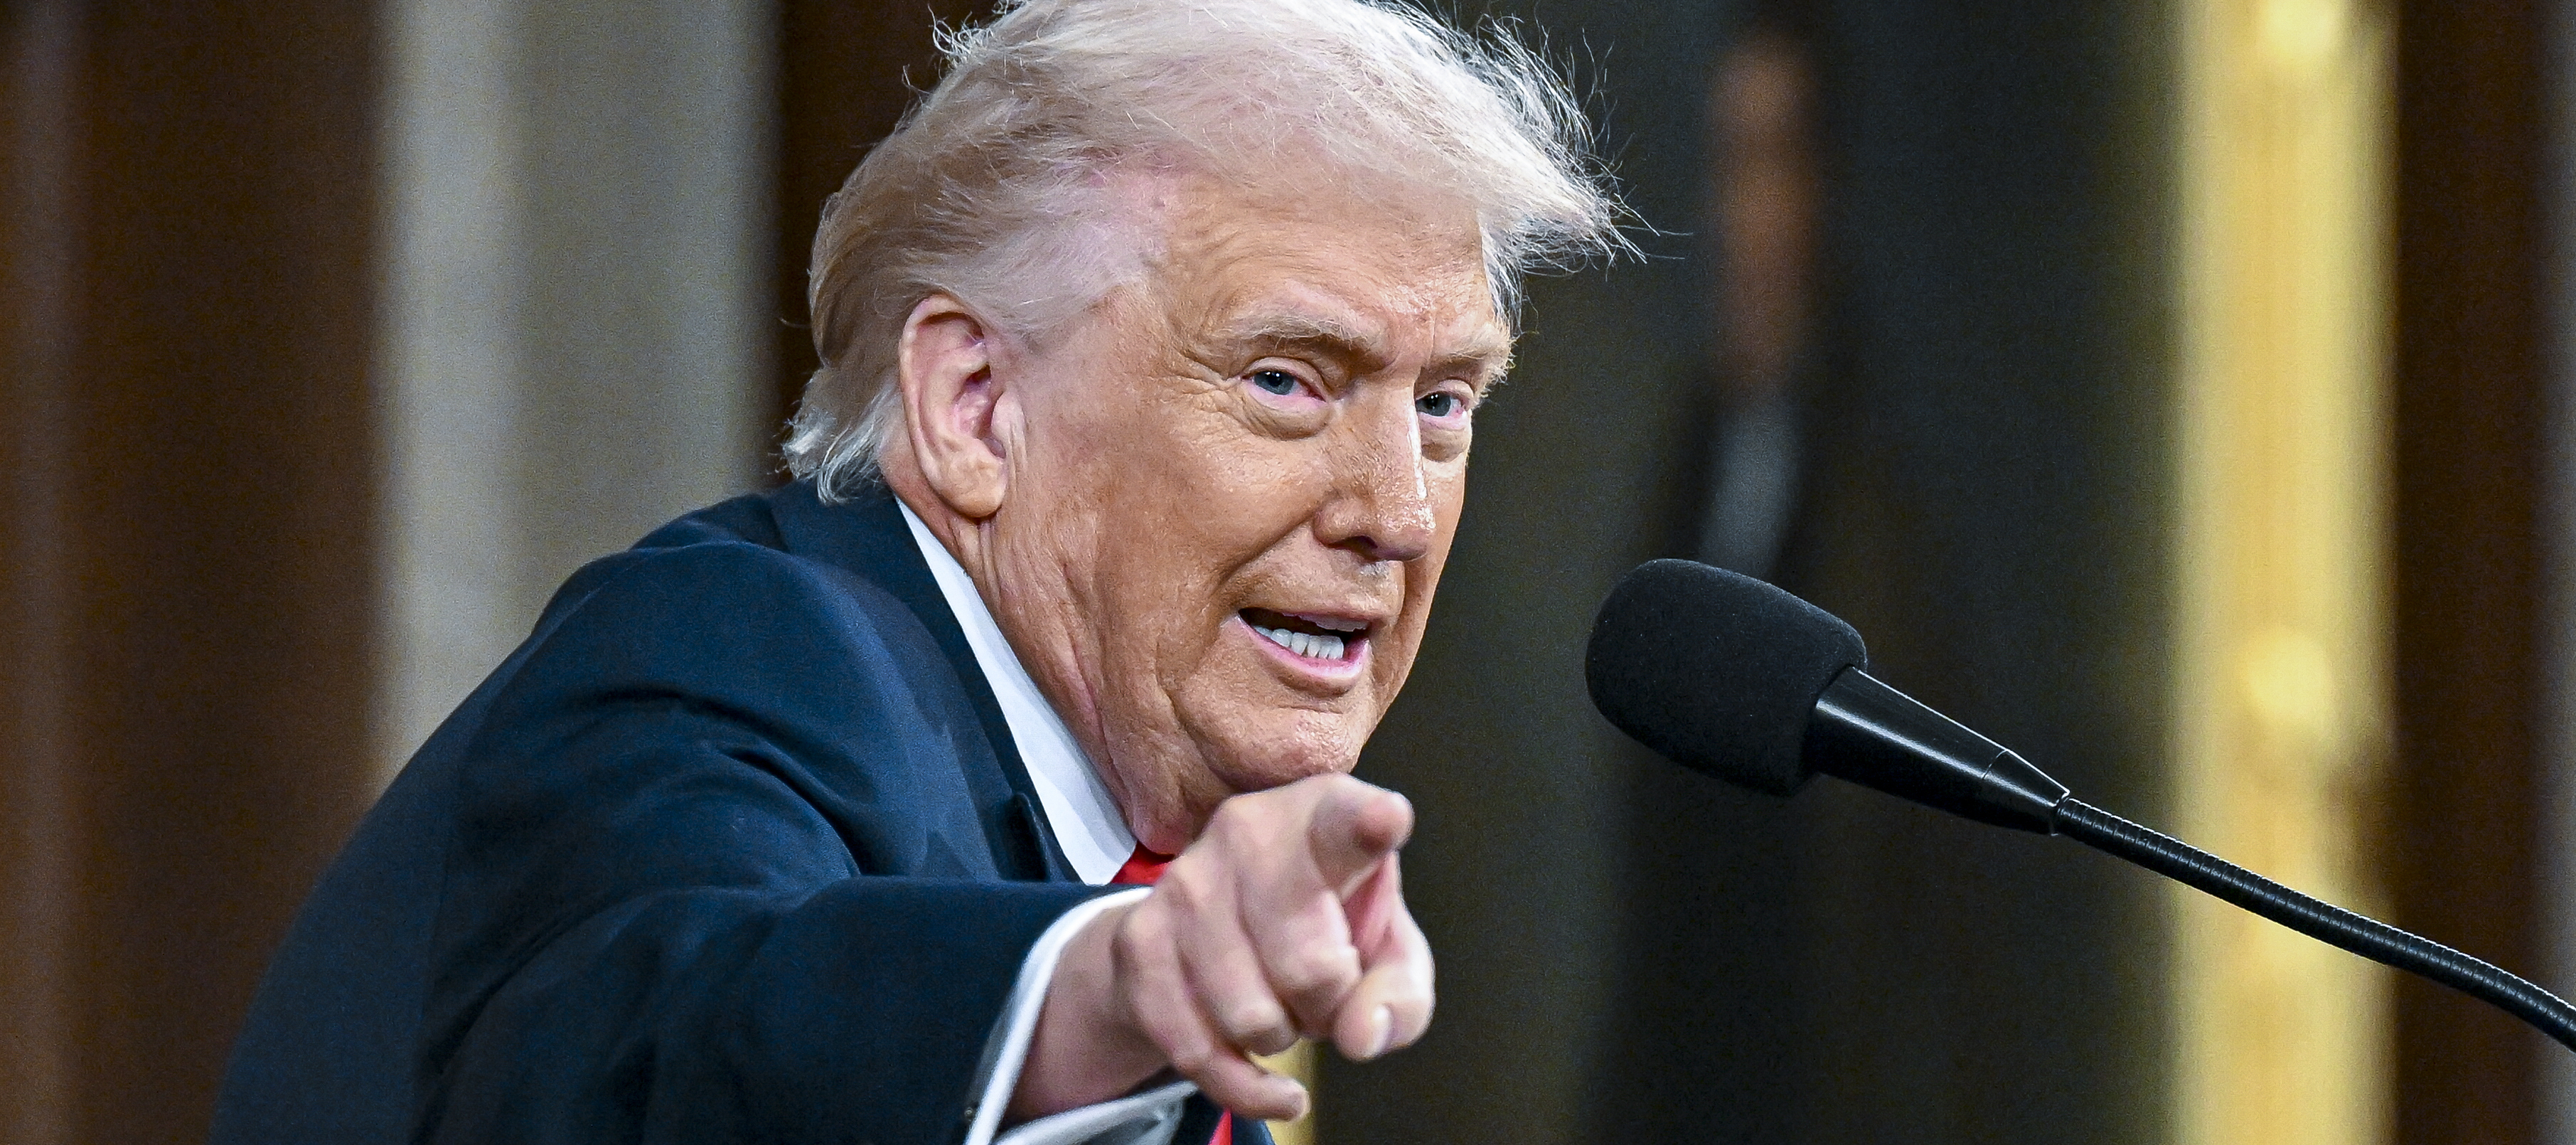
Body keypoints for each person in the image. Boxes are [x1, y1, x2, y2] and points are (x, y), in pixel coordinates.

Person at [208, 1, 1624, 1142]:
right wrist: (1107, 981)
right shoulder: (747, 647)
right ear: (973, 407)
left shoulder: (1167, 1005)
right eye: (1286, 381)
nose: (1397, 512)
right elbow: (681, 1041)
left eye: (1444, 405)